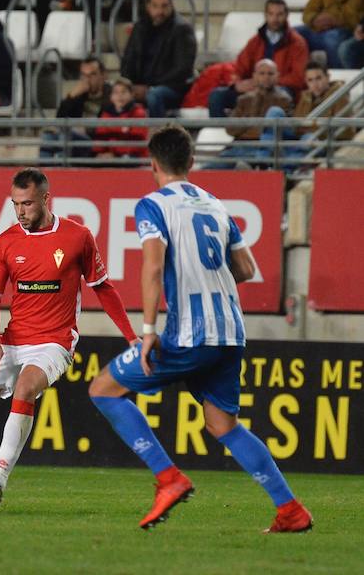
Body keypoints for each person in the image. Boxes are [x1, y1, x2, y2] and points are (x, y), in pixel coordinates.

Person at [87, 124, 313, 533]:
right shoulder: (216, 204)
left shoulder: (152, 205)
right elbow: (245, 268)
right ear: (191, 162)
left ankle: (168, 477)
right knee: (223, 425)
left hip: (189, 333)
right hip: (230, 331)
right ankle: (290, 510)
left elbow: (152, 268)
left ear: (152, 164)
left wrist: (149, 328)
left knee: (103, 389)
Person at [0, 168, 137, 509]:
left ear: (45, 199)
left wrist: (131, 336)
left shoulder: (77, 236)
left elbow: (104, 289)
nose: (20, 211)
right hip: (12, 339)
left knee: (25, 388)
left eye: (27, 204)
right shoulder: (5, 241)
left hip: (55, 340)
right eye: (15, 204)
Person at [207, 0, 307, 119]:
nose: (275, 19)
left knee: (283, 95)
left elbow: (298, 78)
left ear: (286, 15)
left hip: (281, 89)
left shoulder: (297, 43)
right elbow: (239, 68)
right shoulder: (255, 41)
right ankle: (220, 135)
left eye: (279, 14)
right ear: (265, 15)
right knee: (216, 96)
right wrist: (237, 84)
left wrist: (269, 81)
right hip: (254, 88)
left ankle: (268, 134)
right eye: (271, 14)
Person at [257, 61, 354, 169]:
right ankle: (263, 160)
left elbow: (347, 131)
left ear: (327, 77)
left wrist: (313, 129)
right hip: (301, 137)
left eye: (318, 78)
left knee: (308, 138)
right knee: (274, 111)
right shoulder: (306, 96)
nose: (315, 84)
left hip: (321, 141)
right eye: (310, 80)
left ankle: (284, 170)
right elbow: (297, 124)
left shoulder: (339, 95)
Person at [119, 0, 196, 117]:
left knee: (154, 95)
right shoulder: (140, 27)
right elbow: (128, 59)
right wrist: (130, 84)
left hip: (172, 87)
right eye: (155, 6)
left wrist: (149, 87)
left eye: (164, 6)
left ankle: (158, 134)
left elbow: (182, 69)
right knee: (116, 92)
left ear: (171, 6)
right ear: (148, 7)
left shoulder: (182, 29)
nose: (160, 11)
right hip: (142, 85)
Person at [207, 59, 293, 169]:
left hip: (262, 148)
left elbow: (285, 131)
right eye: (262, 73)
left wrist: (246, 123)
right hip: (237, 147)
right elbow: (230, 129)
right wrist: (251, 123)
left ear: (277, 76)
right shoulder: (244, 99)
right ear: (254, 76)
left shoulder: (284, 100)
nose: (266, 77)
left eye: (270, 73)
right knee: (206, 170)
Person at [41, 56, 111, 160]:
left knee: (67, 136)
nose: (87, 80)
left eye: (92, 75)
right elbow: (59, 120)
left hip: (94, 140)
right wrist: (71, 96)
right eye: (83, 75)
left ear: (103, 75)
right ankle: (45, 171)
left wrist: (86, 130)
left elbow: (109, 125)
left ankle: (61, 169)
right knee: (48, 137)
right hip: (75, 138)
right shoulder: (78, 96)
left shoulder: (112, 96)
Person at [295, 0, 364, 68]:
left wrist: (337, 20)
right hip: (321, 27)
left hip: (348, 29)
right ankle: (301, 76)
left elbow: (360, 18)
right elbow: (308, 11)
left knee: (333, 38)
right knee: (293, 34)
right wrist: (315, 19)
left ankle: (338, 78)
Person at [92, 77, 149, 160]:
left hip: (134, 157)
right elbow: (100, 139)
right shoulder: (106, 114)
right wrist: (101, 153)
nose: (119, 96)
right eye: (116, 92)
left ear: (132, 94)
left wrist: (115, 155)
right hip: (109, 157)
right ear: (111, 96)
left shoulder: (139, 113)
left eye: (123, 92)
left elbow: (137, 144)